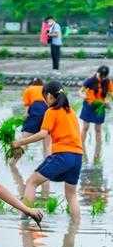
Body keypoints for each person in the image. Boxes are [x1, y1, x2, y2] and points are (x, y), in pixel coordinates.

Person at [13, 81, 85, 215]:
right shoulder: (71, 112)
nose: (45, 101)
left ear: (50, 96)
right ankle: (75, 228)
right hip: (77, 157)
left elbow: (42, 134)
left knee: (31, 183)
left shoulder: (51, 111)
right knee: (71, 195)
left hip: (63, 155)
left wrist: (20, 143)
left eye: (44, 97)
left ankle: (25, 219)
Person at [79, 65, 109, 158]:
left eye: (104, 76)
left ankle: (97, 152)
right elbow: (80, 91)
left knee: (98, 129)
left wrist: (107, 101)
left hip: (99, 106)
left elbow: (111, 94)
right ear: (98, 73)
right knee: (85, 127)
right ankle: (80, 147)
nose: (102, 78)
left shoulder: (107, 82)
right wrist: (82, 95)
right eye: (101, 76)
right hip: (89, 105)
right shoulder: (90, 81)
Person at [18, 77, 47, 154]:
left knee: (24, 138)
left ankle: (13, 163)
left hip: (36, 108)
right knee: (47, 141)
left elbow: (27, 108)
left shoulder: (28, 89)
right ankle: (47, 160)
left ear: (31, 84)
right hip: (47, 110)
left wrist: (25, 116)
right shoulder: (46, 88)